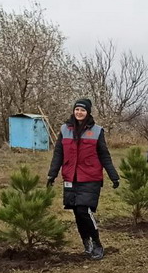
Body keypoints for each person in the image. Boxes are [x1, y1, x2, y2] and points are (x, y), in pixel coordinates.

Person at [47, 98, 119, 260]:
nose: (79, 113)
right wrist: (52, 174)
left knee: (83, 210)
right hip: (70, 176)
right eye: (77, 109)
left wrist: (113, 176)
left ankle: (97, 243)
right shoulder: (65, 129)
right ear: (74, 111)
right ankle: (86, 243)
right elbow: (58, 153)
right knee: (76, 213)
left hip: (90, 176)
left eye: (83, 110)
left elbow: (104, 155)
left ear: (88, 112)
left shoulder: (97, 131)